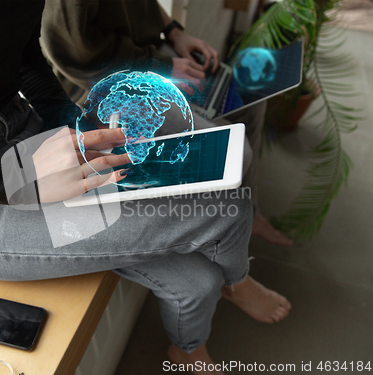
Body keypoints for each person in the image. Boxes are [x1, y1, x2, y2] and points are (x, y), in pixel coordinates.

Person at [0, 1, 289, 374]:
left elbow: (21, 51)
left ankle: (188, 347)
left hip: (30, 131)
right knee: (226, 210)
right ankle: (237, 282)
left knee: (197, 279)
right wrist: (16, 180)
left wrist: (70, 122)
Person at [40, 0, 294, 246]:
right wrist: (160, 65)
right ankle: (225, 255)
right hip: (102, 85)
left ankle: (250, 211)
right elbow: (74, 51)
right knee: (236, 153)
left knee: (252, 99)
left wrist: (174, 31)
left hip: (147, 53)